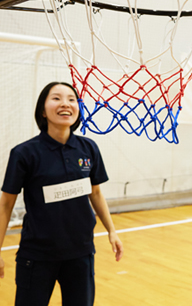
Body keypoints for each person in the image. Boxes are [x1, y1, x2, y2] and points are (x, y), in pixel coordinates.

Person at [0, 82, 123, 306]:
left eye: (72, 99)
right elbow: (6, 205)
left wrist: (112, 231)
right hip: (37, 256)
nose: (65, 103)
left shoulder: (89, 148)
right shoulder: (24, 153)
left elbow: (95, 192)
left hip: (80, 253)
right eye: (56, 98)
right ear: (42, 110)